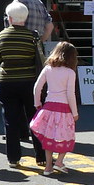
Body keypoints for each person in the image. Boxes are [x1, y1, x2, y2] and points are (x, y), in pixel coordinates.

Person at [0, 0, 47, 168]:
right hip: (28, 82)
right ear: (25, 18)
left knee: (10, 120)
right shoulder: (32, 36)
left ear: (9, 18)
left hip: (6, 81)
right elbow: (38, 59)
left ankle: (13, 158)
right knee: (35, 118)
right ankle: (41, 156)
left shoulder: (1, 35)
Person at [30, 41, 80, 176]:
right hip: (64, 109)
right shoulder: (70, 72)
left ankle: (48, 167)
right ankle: (59, 162)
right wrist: (75, 112)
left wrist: (37, 103)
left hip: (49, 106)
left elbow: (37, 87)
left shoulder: (47, 68)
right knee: (66, 136)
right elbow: (70, 94)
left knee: (48, 137)